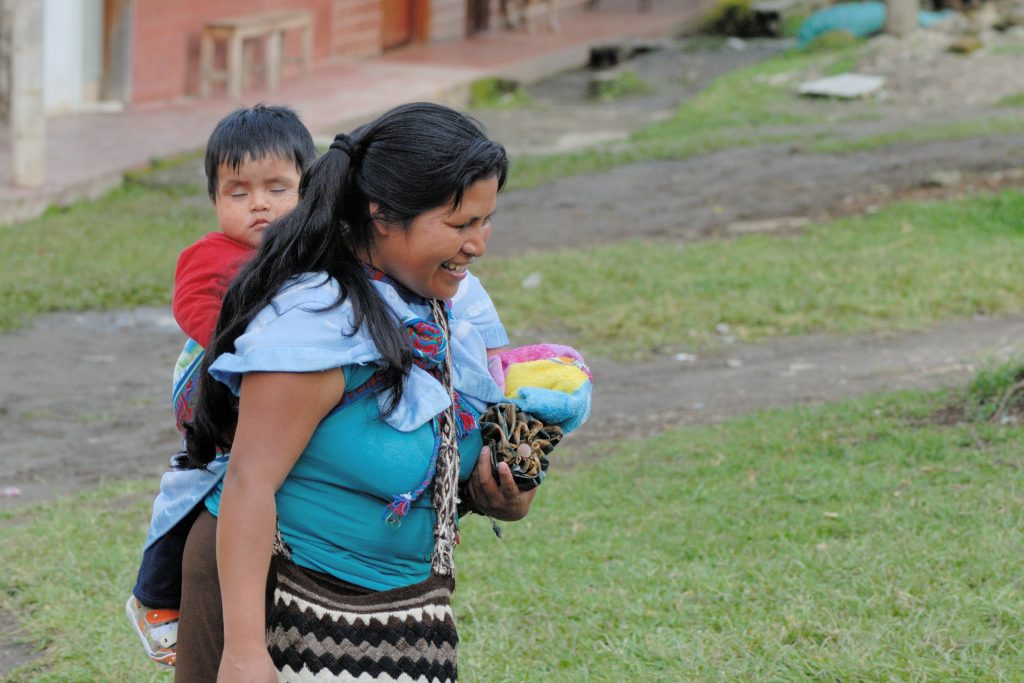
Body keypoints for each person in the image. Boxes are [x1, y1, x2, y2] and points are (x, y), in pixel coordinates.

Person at [172, 101, 535, 682]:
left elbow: (425, 453)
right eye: (460, 224)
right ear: (383, 215)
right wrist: (243, 653)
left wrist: (495, 494)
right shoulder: (314, 326)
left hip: (397, 616)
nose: (478, 245)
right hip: (276, 603)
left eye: (484, 221)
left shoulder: (441, 310)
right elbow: (248, 482)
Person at [125, 104, 317, 668]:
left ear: (308, 192)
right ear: (215, 199)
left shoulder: (310, 253)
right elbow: (194, 309)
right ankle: (154, 598)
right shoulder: (211, 257)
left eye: (278, 188)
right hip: (214, 388)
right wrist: (244, 347)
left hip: (271, 393)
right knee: (192, 492)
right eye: (239, 192)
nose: (259, 204)